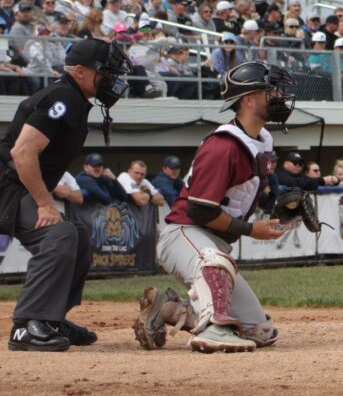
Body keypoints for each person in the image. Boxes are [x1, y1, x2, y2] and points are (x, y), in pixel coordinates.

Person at [134, 62, 295, 353]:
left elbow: (242, 199)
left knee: (260, 331)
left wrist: (285, 211)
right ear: (247, 100)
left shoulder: (258, 142)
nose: (278, 96)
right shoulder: (224, 146)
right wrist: (249, 230)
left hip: (211, 238)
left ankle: (168, 309)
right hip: (183, 233)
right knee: (215, 260)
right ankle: (212, 330)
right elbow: (199, 211)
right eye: (269, 91)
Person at [0, 38, 131, 351]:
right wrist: (45, 203)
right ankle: (27, 326)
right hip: (7, 188)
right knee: (59, 235)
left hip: (14, 187)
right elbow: (22, 152)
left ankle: (50, 318)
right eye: (106, 73)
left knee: (78, 236)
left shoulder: (72, 98)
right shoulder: (63, 96)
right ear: (81, 71)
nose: (112, 80)